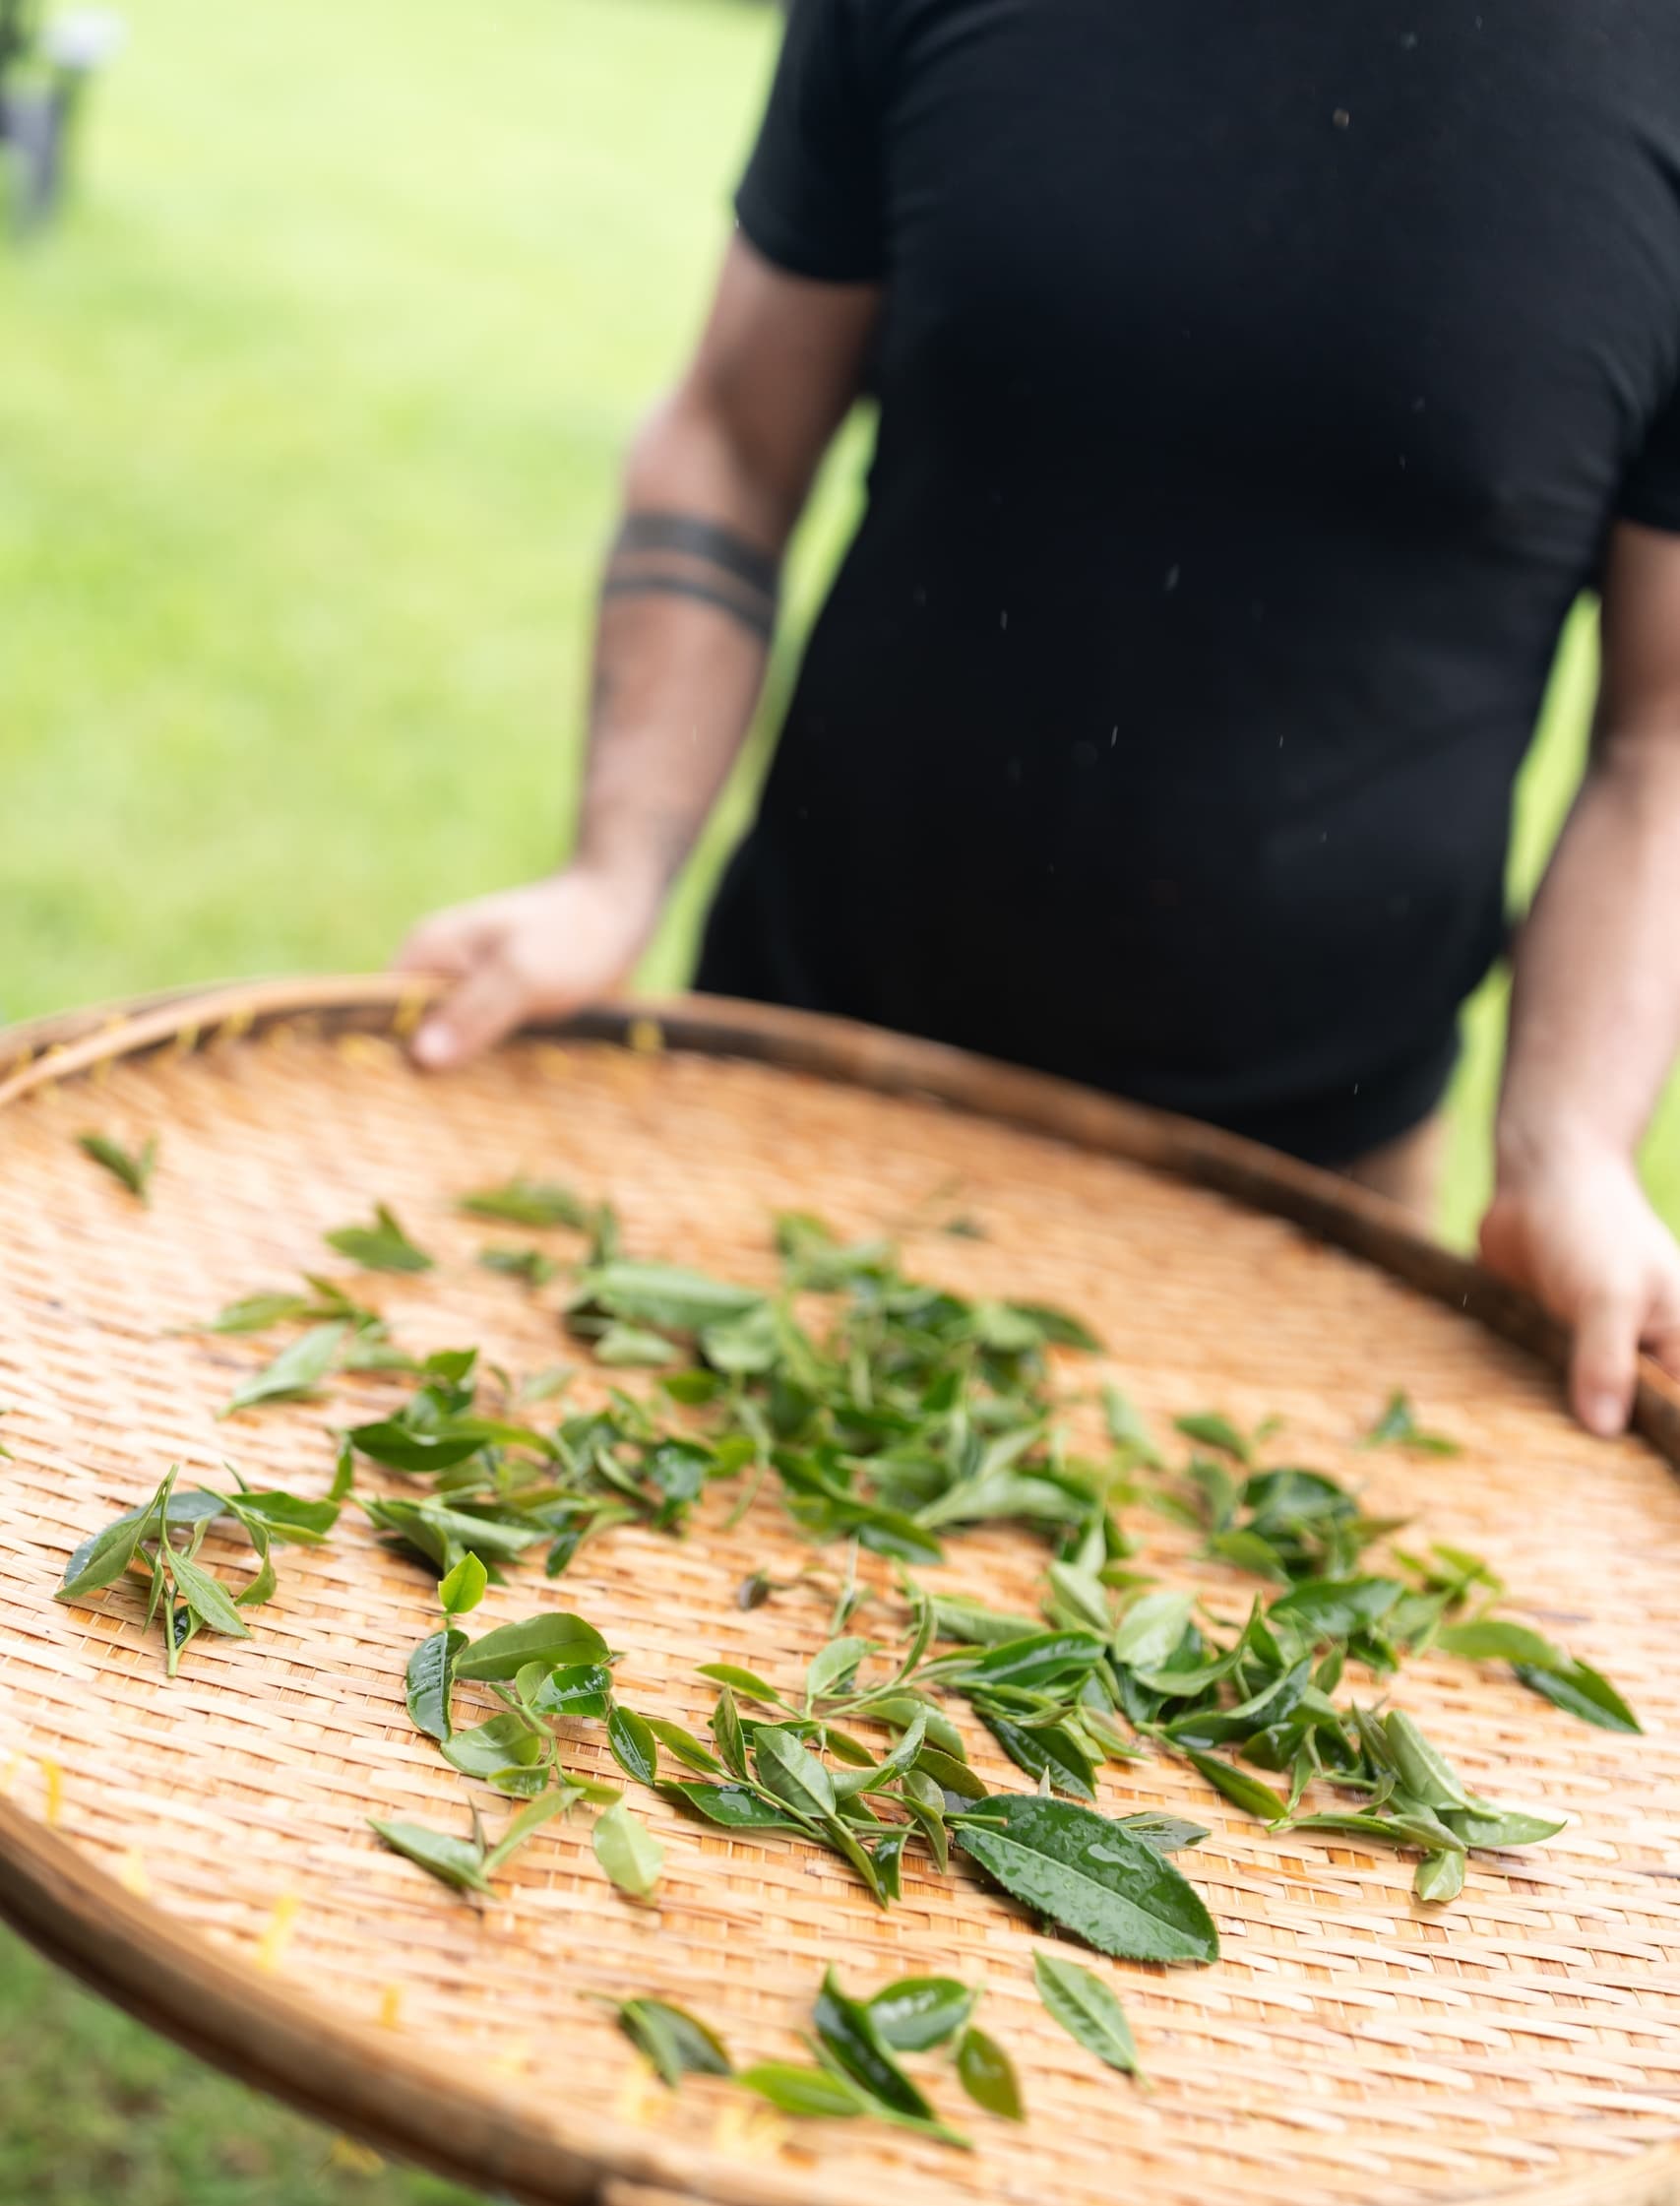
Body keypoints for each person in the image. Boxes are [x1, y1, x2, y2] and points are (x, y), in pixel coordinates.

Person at [397, 0, 1680, 1437]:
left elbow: (1663, 736)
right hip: (791, 1068)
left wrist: (1569, 1145)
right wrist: (614, 871)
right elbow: (731, 441)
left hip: (1305, 1203)